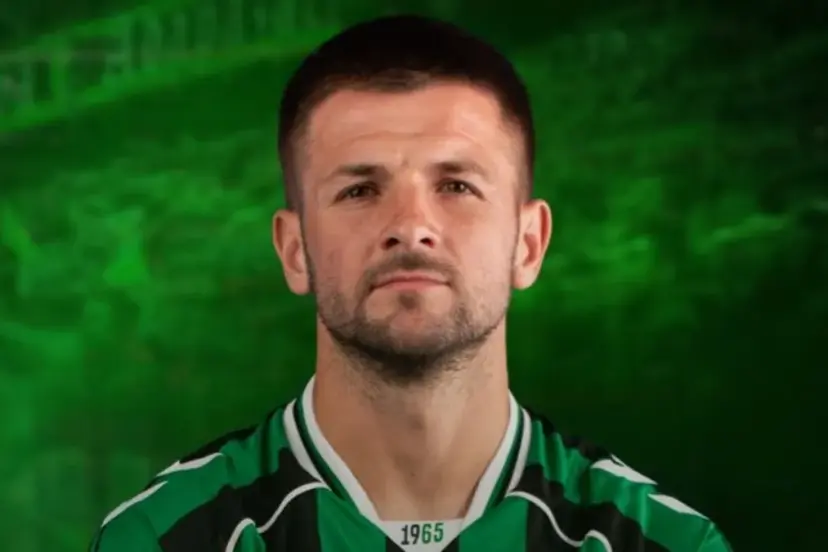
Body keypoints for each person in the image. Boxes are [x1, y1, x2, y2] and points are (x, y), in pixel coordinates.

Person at [90, 14, 733, 552]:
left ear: (529, 243)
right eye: (359, 190)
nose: (410, 226)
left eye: (456, 185)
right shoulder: (161, 539)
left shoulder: (664, 544)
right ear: (294, 250)